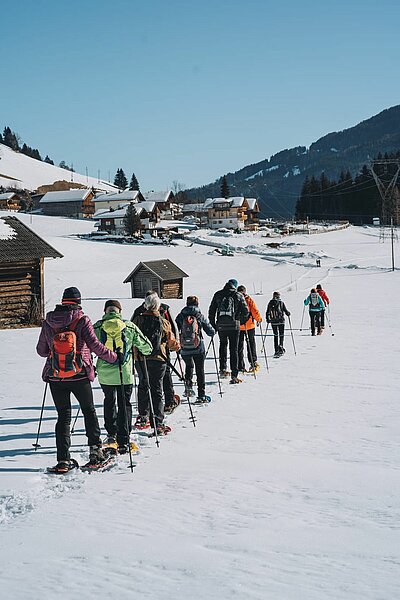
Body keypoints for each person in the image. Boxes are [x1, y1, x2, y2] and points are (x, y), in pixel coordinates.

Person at [36, 287, 117, 473]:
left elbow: (41, 351)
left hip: (56, 376)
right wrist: (114, 358)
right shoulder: (82, 320)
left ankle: (63, 460)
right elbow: (95, 346)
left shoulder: (48, 321)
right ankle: (95, 452)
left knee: (63, 416)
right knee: (89, 411)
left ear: (63, 301)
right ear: (78, 302)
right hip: (79, 374)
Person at [93, 299, 152, 453]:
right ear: (119, 311)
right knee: (125, 404)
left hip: (105, 374)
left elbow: (87, 345)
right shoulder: (129, 326)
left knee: (109, 401)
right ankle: (124, 439)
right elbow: (147, 348)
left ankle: (111, 434)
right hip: (124, 373)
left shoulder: (98, 327)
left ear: (105, 311)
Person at [133, 292, 180, 435]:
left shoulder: (138, 320)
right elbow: (172, 343)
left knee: (143, 386)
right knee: (157, 390)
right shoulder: (163, 322)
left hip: (141, 359)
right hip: (159, 360)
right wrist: (176, 346)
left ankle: (143, 415)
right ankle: (158, 423)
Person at [208, 279, 250, 384]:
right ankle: (234, 374)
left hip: (221, 326)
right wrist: (239, 321)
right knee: (234, 349)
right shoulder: (239, 295)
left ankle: (222, 369)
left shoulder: (218, 294)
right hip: (234, 326)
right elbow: (246, 312)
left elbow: (211, 311)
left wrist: (214, 325)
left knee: (222, 346)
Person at [176, 295, 215, 401]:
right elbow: (210, 331)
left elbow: (174, 329)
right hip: (198, 347)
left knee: (189, 365)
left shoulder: (180, 316)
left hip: (184, 348)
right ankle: (201, 395)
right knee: (200, 370)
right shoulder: (199, 315)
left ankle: (188, 388)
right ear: (197, 304)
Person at [237, 285, 262, 373]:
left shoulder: (235, 299)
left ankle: (240, 365)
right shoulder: (248, 299)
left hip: (238, 326)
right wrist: (259, 319)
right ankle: (253, 362)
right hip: (249, 326)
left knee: (239, 346)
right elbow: (254, 311)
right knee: (251, 344)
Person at [266, 291, 291, 356]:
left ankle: (276, 350)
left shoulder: (270, 303)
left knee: (275, 335)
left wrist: (268, 319)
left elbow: (267, 312)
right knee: (281, 335)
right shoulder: (281, 302)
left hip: (273, 322)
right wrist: (288, 313)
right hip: (281, 321)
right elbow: (286, 311)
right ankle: (281, 347)